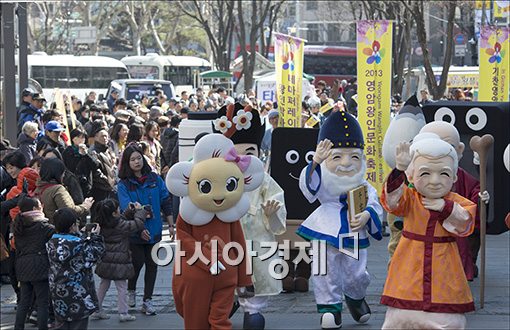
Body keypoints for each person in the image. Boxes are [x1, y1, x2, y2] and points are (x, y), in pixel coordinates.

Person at [165, 133, 264, 329]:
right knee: (202, 321)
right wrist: (243, 279)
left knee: (214, 320)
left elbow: (239, 244)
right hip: (204, 275)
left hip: (214, 274)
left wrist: (244, 279)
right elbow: (185, 238)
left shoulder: (228, 215)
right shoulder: (190, 213)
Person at [297, 110, 383, 329]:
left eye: (353, 156)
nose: (346, 163)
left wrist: (367, 215)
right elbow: (308, 191)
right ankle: (329, 308)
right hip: (323, 226)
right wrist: (315, 163)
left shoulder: (363, 185)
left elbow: (374, 203)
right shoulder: (322, 177)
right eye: (337, 157)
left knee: (356, 273)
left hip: (354, 230)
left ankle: (355, 298)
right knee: (323, 269)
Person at [380, 134, 476, 329]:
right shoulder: (411, 198)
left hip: (444, 262)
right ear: (412, 175)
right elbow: (392, 201)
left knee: (446, 318)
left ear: (455, 176)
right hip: (410, 261)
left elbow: (465, 222)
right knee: (402, 316)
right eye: (425, 173)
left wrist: (445, 207)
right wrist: (398, 170)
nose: (435, 181)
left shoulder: (456, 201)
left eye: (444, 174)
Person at [215, 104, 287, 328]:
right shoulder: (218, 177)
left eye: (249, 153)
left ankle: (251, 310)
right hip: (226, 241)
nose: (241, 159)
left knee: (255, 282)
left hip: (257, 240)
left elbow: (277, 211)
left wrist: (272, 214)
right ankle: (231, 303)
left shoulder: (263, 180)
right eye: (235, 153)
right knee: (225, 279)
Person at [117, 144, 172, 315]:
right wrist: (139, 229)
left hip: (154, 230)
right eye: (132, 159)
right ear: (127, 163)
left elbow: (165, 200)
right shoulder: (124, 185)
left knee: (152, 264)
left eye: (138, 158)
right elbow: (127, 208)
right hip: (135, 231)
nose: (136, 162)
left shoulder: (155, 179)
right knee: (137, 262)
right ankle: (131, 290)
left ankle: (147, 300)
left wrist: (171, 224)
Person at [47, 207, 105, 330]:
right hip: (78, 296)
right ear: (72, 226)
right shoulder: (79, 244)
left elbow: (68, 242)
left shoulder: (51, 242)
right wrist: (95, 237)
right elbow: (96, 254)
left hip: (58, 295)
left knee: (62, 325)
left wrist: (82, 233)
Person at [92, 199, 146, 322]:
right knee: (121, 287)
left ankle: (97, 309)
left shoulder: (103, 223)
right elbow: (137, 224)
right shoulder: (120, 225)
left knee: (103, 285)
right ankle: (123, 312)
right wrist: (139, 211)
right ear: (113, 213)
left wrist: (128, 212)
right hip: (119, 261)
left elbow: (120, 219)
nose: (119, 210)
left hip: (105, 260)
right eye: (117, 209)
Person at [13, 196, 54, 330]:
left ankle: (18, 327)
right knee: (43, 303)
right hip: (40, 266)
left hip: (22, 266)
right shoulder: (45, 227)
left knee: (24, 302)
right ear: (35, 209)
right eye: (40, 205)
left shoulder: (18, 226)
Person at [34, 157, 93, 224]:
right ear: (58, 173)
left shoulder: (38, 188)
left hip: (45, 229)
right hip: (59, 229)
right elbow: (69, 211)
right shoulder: (58, 189)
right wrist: (85, 206)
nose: (64, 175)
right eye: (63, 173)